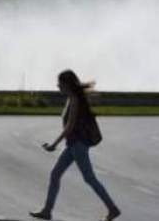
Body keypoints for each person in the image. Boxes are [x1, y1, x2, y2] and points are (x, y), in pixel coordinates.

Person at [30, 70, 121, 220]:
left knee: (89, 178)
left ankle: (113, 209)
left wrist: (54, 144)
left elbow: (70, 126)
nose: (57, 85)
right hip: (72, 145)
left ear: (67, 84)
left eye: (60, 83)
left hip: (77, 146)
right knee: (55, 174)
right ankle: (47, 211)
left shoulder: (75, 100)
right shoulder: (72, 98)